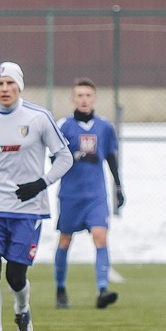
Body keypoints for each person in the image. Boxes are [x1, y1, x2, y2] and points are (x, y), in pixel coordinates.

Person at [0, 61, 73, 331]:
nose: (4, 89)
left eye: (10, 84)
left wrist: (41, 183)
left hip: (27, 209)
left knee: (15, 276)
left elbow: (65, 158)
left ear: (20, 86)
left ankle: (22, 309)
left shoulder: (38, 118)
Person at [54, 78, 125, 309]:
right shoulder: (63, 126)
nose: (84, 100)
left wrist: (118, 187)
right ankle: (60, 288)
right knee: (65, 241)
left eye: (88, 96)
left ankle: (103, 289)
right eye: (79, 96)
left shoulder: (104, 127)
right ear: (73, 99)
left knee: (100, 237)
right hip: (70, 195)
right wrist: (75, 157)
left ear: (94, 99)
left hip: (96, 195)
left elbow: (112, 158)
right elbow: (54, 158)